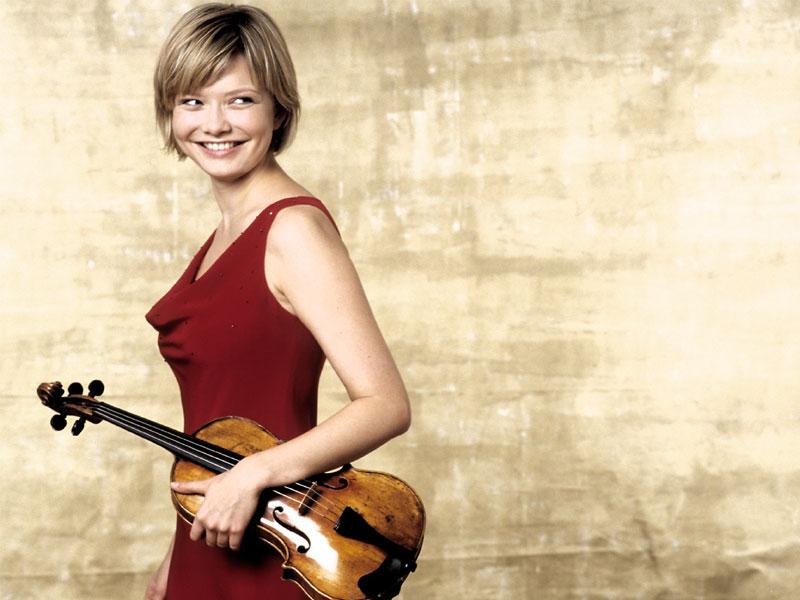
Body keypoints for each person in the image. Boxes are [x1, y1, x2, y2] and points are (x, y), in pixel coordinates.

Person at [143, 4, 411, 599]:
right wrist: (174, 557)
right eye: (192, 101)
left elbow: (386, 405)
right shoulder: (225, 233)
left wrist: (254, 476)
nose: (215, 124)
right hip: (212, 532)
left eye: (240, 100)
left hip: (277, 541)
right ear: (170, 112)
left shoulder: (292, 231)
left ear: (278, 109)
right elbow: (218, 428)